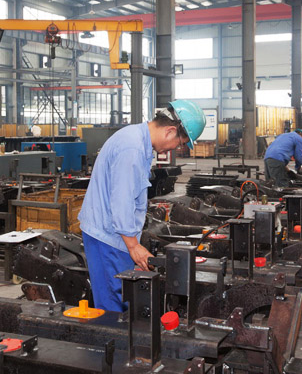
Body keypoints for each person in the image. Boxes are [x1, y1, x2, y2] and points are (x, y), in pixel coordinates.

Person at [78, 99, 206, 312]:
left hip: (114, 235)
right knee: (115, 306)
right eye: (180, 144)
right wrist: (134, 247)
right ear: (170, 131)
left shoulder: (137, 139)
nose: (176, 148)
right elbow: (122, 200)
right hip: (109, 238)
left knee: (122, 299)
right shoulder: (133, 148)